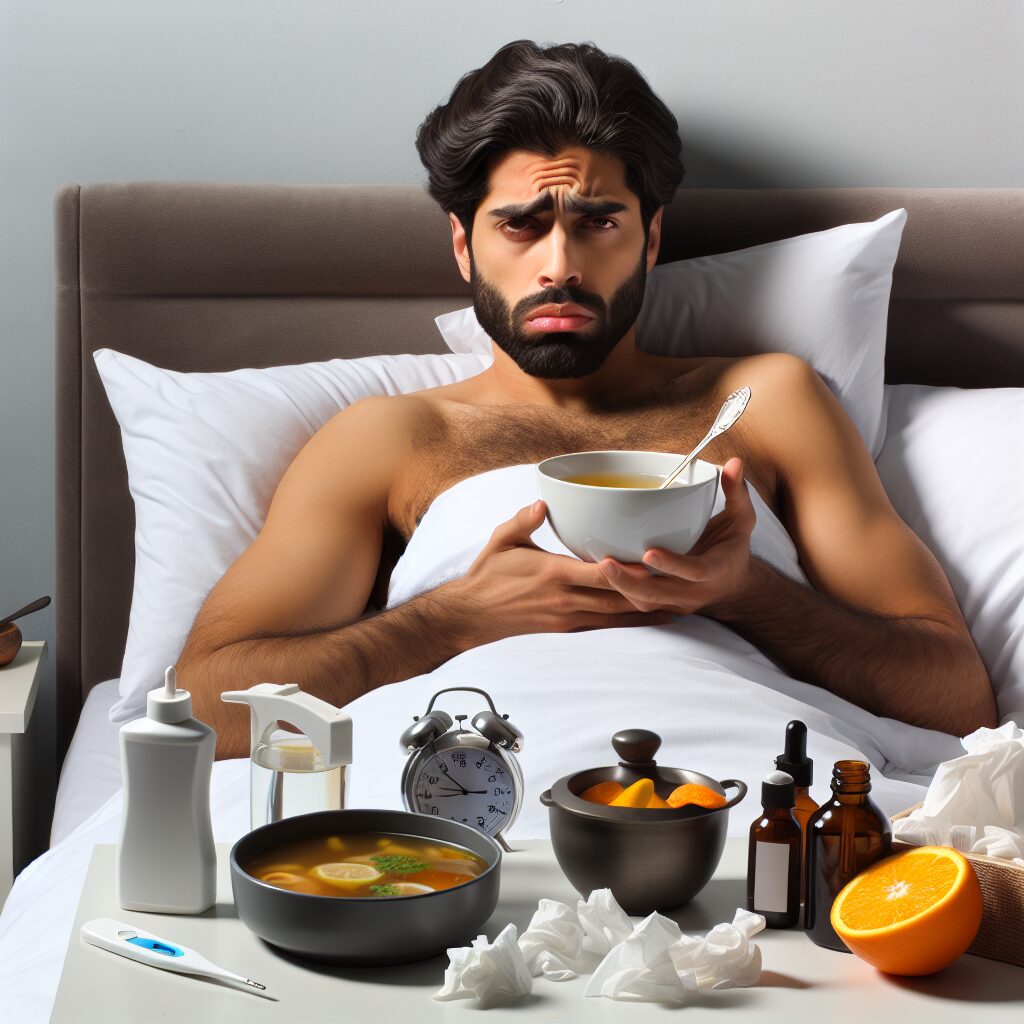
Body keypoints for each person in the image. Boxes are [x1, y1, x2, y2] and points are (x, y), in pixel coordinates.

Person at [178, 40, 995, 760]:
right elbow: (208, 705)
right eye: (521, 226)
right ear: (464, 245)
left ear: (652, 237)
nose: (559, 263)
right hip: (462, 802)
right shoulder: (389, 438)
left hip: (744, 784)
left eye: (598, 221)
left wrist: (748, 595)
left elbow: (957, 698)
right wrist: (448, 619)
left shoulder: (766, 399)